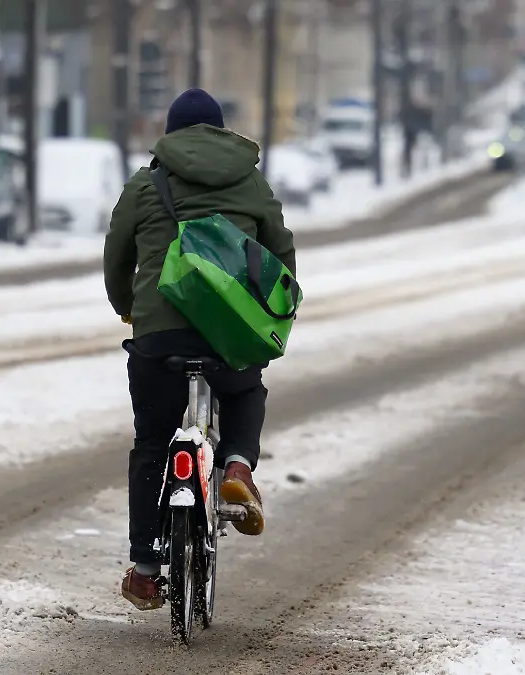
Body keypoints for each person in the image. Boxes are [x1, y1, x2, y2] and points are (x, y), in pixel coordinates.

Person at [103, 88, 296, 611]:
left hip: (159, 334)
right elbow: (280, 252)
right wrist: (271, 310)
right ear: (219, 131)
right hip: (229, 332)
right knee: (244, 389)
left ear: (170, 134)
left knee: (150, 445)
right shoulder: (250, 181)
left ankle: (145, 570)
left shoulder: (146, 184)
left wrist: (130, 307)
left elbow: (116, 255)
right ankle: (235, 466)